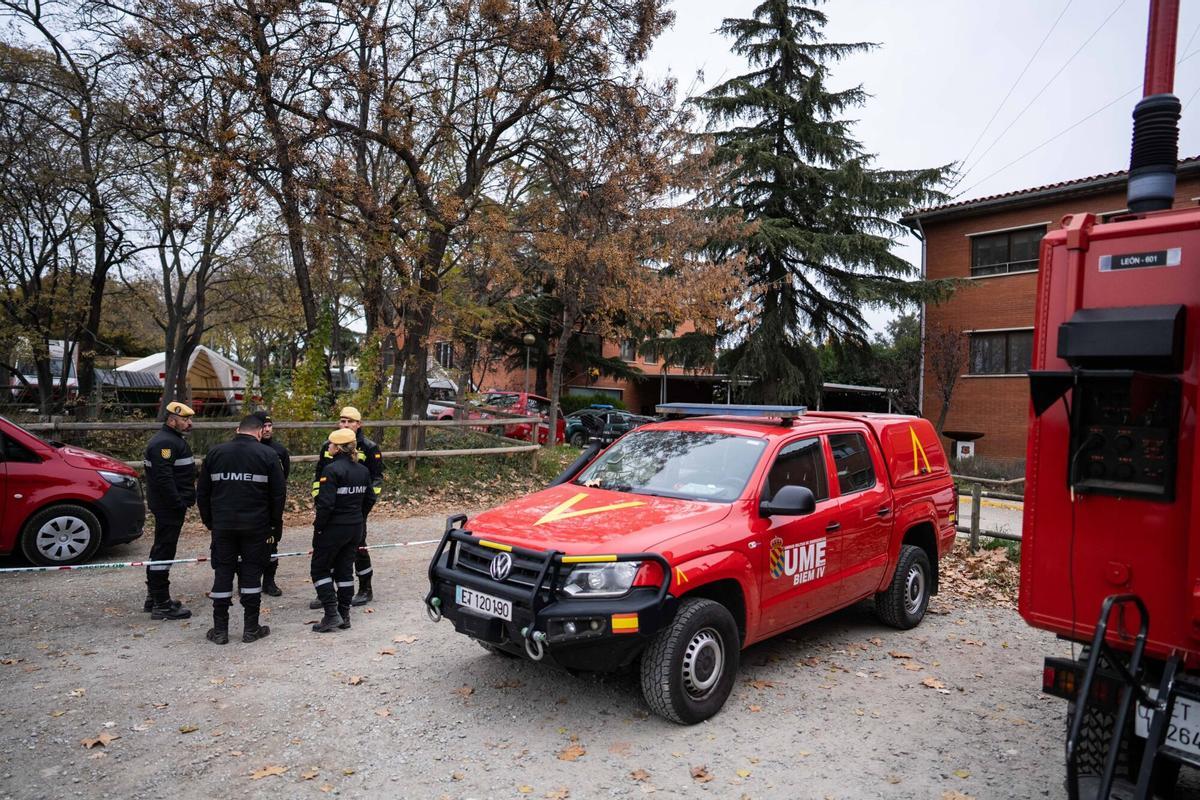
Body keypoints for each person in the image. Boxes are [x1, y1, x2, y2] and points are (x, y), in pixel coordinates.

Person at [196, 415, 285, 645]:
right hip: (256, 527)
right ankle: (251, 628)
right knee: (252, 574)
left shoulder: (215, 453)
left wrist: (210, 522)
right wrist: (274, 526)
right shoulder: (268, 455)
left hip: (223, 526)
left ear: (238, 430)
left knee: (223, 572)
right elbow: (278, 495)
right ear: (258, 432)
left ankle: (220, 630)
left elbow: (203, 492)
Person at [308, 406, 382, 609]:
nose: (346, 424)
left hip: (355, 509)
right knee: (328, 550)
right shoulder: (328, 445)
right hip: (330, 507)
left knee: (358, 548)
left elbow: (375, 481)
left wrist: (363, 509)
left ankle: (365, 588)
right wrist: (320, 500)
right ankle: (327, 593)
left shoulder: (369, 447)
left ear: (359, 424)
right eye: (343, 421)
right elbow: (319, 477)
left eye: (350, 421)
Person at [142, 401, 197, 620]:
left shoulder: (172, 440)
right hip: (168, 507)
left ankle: (155, 598)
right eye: (185, 420)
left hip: (169, 507)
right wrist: (178, 503)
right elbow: (163, 479)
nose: (189, 423)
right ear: (172, 420)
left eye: (189, 419)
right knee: (163, 552)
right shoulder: (164, 444)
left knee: (162, 550)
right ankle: (161, 604)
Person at [251, 410, 290, 596]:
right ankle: (248, 582)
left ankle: (269, 582)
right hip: (251, 505)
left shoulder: (280, 451)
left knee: (272, 544)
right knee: (247, 546)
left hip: (271, 506)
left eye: (269, 426)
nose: (267, 429)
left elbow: (283, 478)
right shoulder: (247, 449)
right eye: (263, 426)